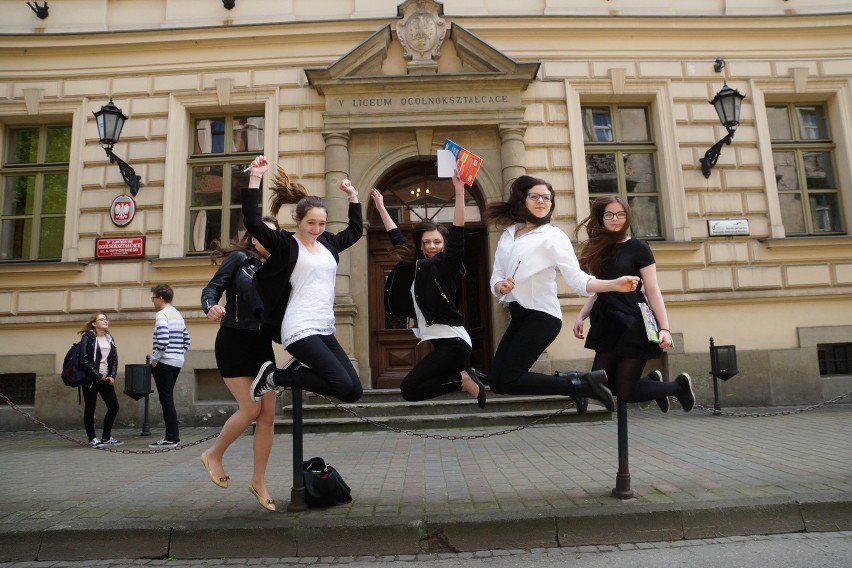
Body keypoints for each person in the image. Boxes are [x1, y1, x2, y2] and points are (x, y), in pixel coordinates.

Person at [483, 175, 641, 412]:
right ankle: (577, 384)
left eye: (547, 198)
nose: (541, 201)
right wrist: (499, 286)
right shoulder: (509, 234)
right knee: (498, 381)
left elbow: (578, 280)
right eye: (534, 196)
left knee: (509, 379)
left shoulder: (553, 236)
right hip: (520, 315)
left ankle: (581, 384)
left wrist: (613, 284)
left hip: (542, 317)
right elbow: (496, 274)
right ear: (521, 200)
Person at [243, 155, 363, 404]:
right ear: (298, 219)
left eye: (321, 223)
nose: (316, 229)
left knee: (353, 391)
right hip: (299, 327)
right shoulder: (286, 244)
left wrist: (353, 196)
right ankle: (275, 377)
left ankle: (283, 375)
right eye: (310, 223)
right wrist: (255, 177)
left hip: (324, 326)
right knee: (340, 382)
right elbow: (252, 221)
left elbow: (355, 231)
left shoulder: (328, 242)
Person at [371, 171, 486, 408]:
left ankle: (464, 380)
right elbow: (397, 238)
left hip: (454, 342)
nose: (431, 246)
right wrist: (382, 207)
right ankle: (463, 380)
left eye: (437, 241)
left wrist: (460, 192)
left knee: (409, 388)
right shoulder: (419, 267)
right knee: (412, 390)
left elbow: (458, 232)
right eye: (426, 242)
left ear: (444, 245)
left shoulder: (448, 265)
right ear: (421, 246)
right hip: (443, 342)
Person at [572, 196, 695, 412]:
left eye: (620, 214)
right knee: (601, 383)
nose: (614, 218)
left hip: (632, 321)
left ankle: (678, 387)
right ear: (601, 218)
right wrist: (581, 315)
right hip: (606, 323)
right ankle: (652, 382)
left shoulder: (638, 247)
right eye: (609, 214)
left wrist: (664, 328)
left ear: (627, 217)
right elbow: (600, 288)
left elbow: (652, 290)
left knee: (626, 393)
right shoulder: (598, 247)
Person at [199, 215, 281, 511]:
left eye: (273, 235)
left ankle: (258, 481)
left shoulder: (278, 267)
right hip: (233, 340)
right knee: (251, 408)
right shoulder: (238, 259)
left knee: (268, 415)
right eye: (262, 234)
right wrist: (210, 306)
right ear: (253, 237)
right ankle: (214, 454)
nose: (266, 239)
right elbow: (212, 289)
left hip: (262, 345)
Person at [148, 284, 191, 449]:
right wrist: (179, 354)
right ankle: (172, 436)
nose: (152, 301)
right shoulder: (177, 314)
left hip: (164, 362)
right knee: (168, 399)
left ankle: (172, 438)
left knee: (166, 400)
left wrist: (155, 359)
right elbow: (187, 340)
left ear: (160, 298)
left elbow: (163, 340)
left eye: (153, 298)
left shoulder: (162, 314)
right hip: (177, 361)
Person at [77, 312, 122, 447]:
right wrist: (97, 375)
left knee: (114, 406)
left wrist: (112, 375)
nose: (105, 321)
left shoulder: (109, 337)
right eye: (101, 319)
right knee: (90, 408)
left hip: (106, 379)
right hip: (91, 379)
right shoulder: (88, 337)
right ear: (94, 323)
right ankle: (92, 438)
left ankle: (106, 437)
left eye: (106, 319)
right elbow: (84, 361)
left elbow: (114, 358)